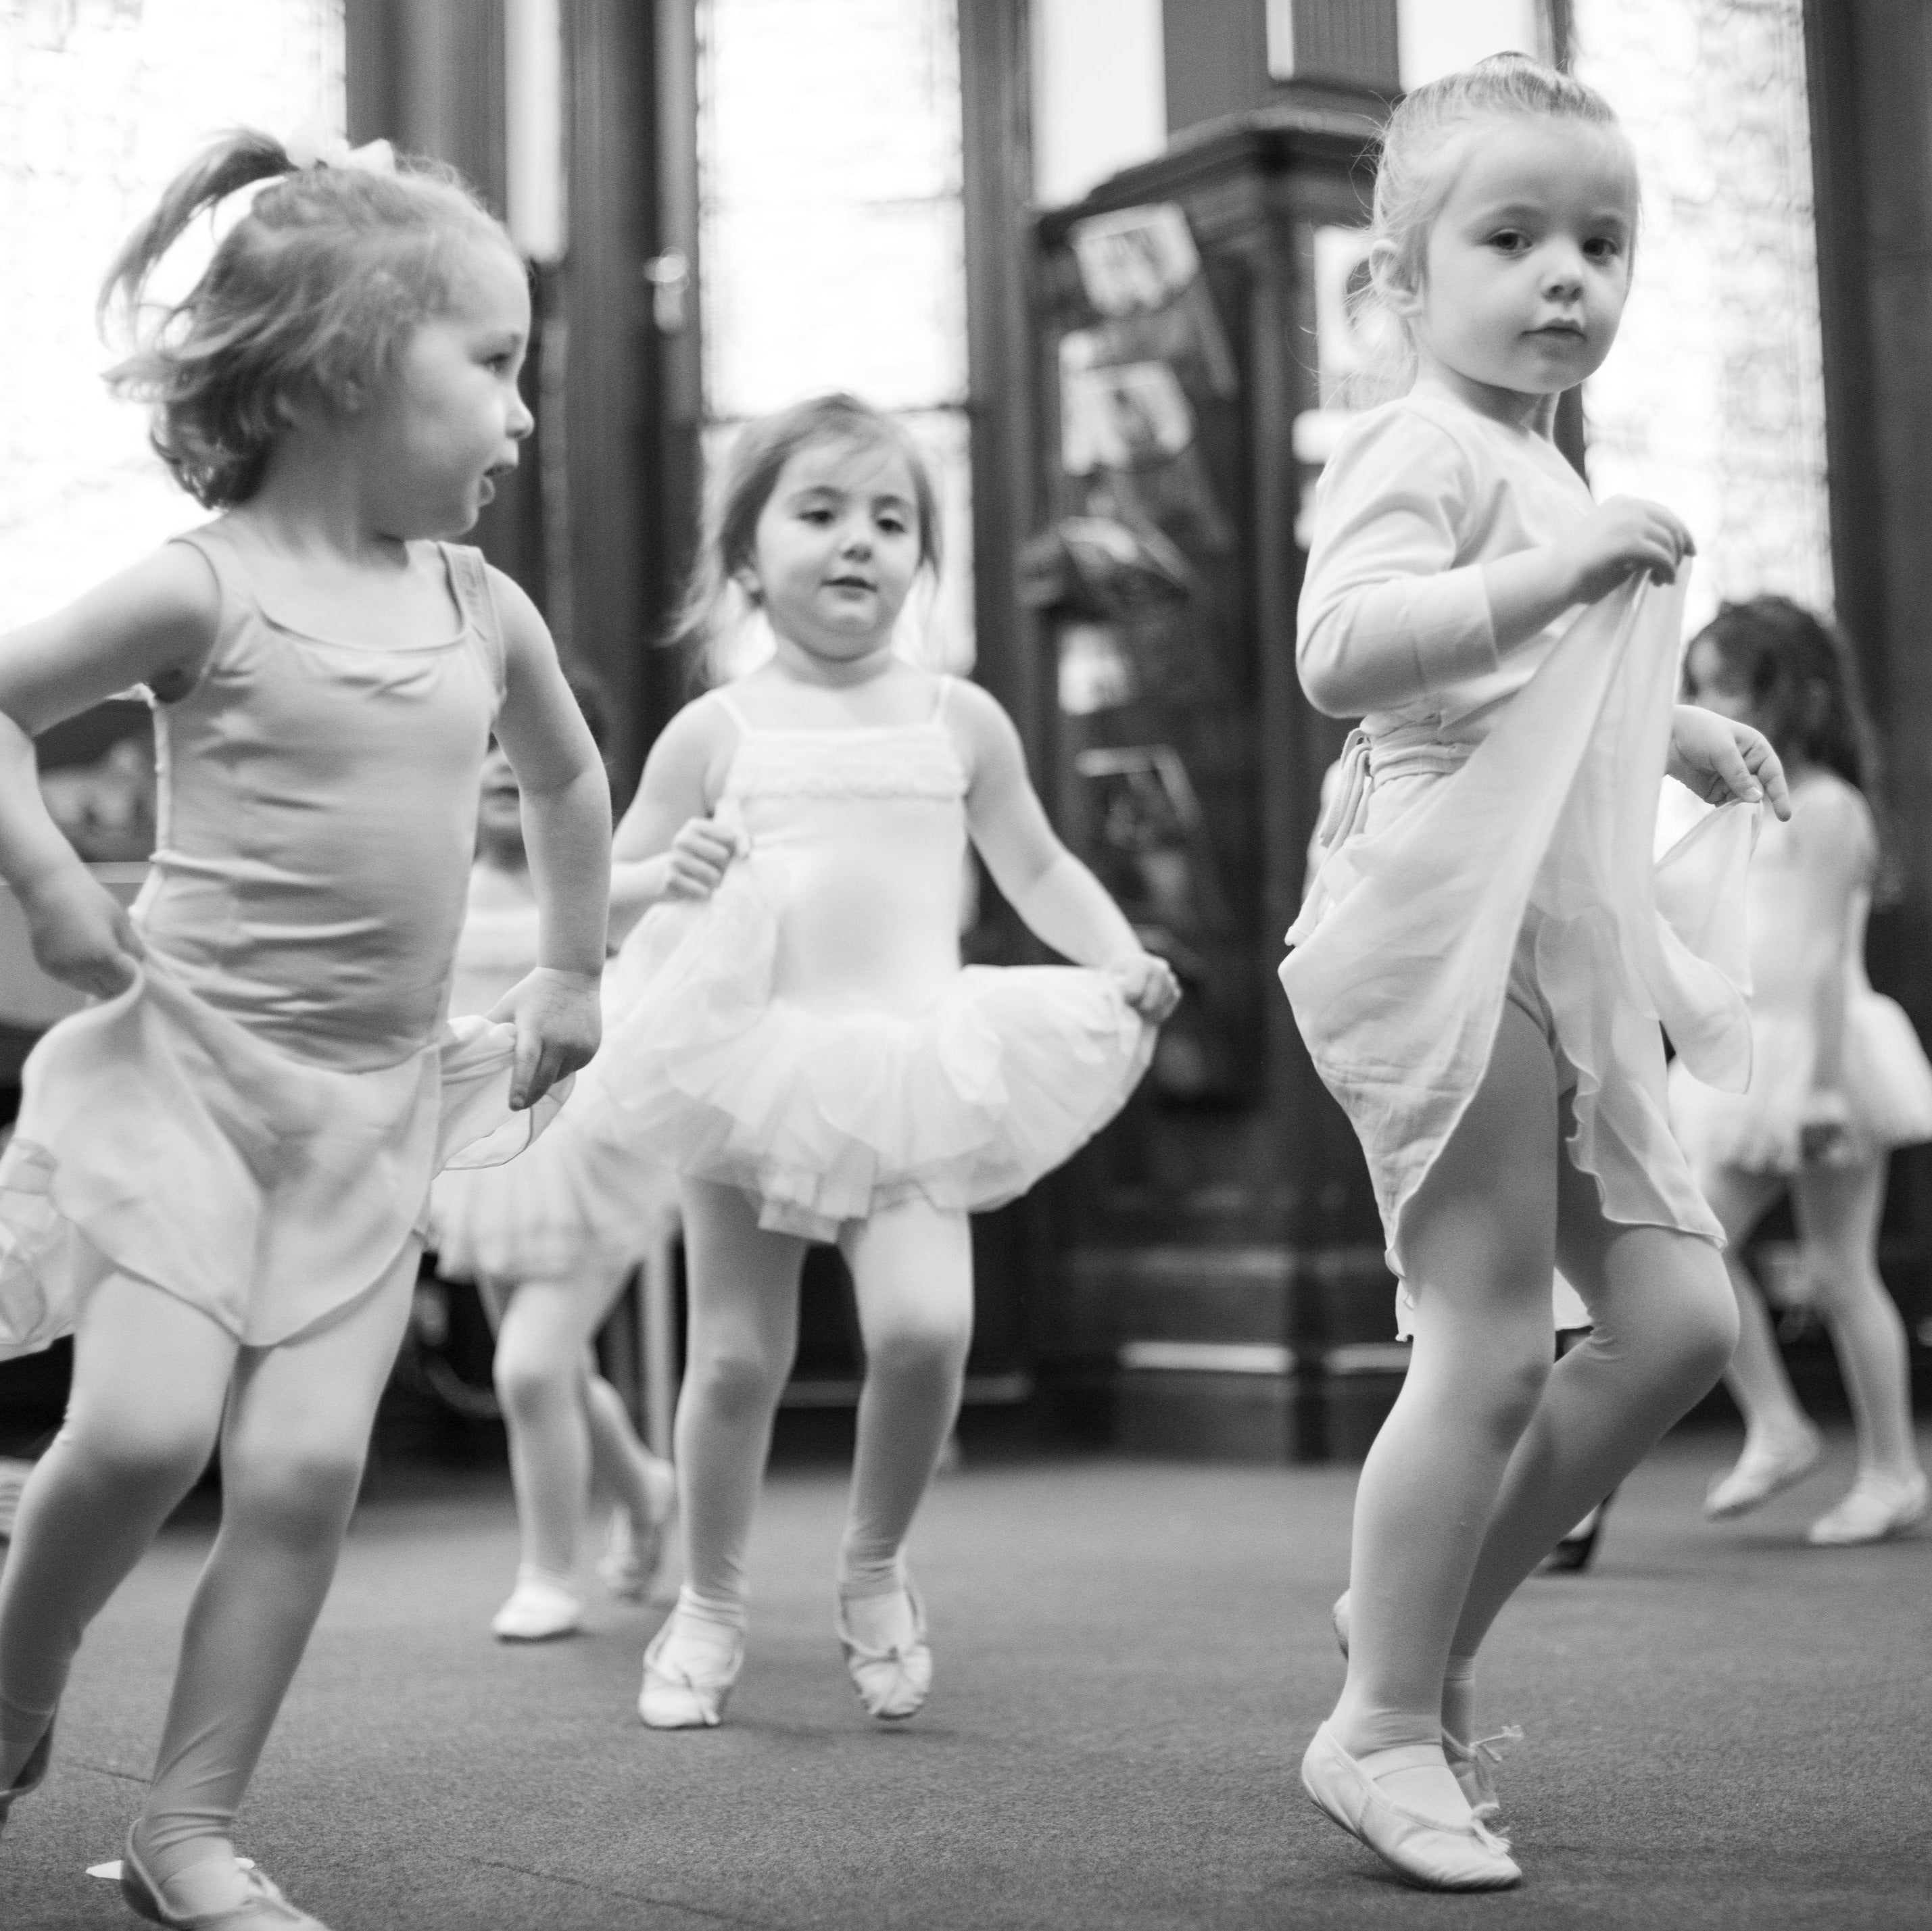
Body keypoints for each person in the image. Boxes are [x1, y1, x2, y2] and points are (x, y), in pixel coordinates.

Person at [0, 132, 609, 1931]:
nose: (518, 415)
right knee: (135, 1437)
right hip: (183, 1082)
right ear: (348, 362)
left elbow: (570, 790)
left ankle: (189, 1827)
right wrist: (45, 881)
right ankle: (19, 1688)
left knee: (299, 1470)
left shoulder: (480, 611)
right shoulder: (203, 588)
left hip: (368, 1112)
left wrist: (571, 972)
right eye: (492, 365)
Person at [1281, 57, 1788, 1890]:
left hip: (1550, 921)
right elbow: (1346, 652)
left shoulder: (1530, 457)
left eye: (1602, 241)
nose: (1566, 274)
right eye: (1513, 238)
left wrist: (1686, 732)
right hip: (1439, 918)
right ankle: (1386, 1723)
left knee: (1677, 1328)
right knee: (1488, 1344)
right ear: (1404, 281)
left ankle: (1394, 1647)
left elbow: (1532, 697)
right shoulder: (1414, 444)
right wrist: (1561, 571)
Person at [576, 392, 1178, 1730]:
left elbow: (1035, 860)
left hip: (912, 1061)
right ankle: (709, 1601)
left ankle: (873, 1561)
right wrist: (652, 876)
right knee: (735, 1356)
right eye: (821, 512)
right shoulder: (715, 730)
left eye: (890, 519)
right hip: (743, 1060)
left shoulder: (960, 718)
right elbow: (604, 887)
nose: (859, 541)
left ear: (923, 558)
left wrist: (1115, 953)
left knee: (923, 1328)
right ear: (745, 557)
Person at [1674, 597, 1932, 1544]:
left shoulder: (1827, 807)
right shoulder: (1739, 807)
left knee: (1835, 1268)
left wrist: (1822, 1085)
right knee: (1694, 1241)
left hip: (1825, 1054)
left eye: (1727, 687)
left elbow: (1823, 955)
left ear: (1795, 695)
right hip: (1755, 1051)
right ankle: (1779, 1422)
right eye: (1696, 689)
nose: (1711, 706)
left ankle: (1892, 1468)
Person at [427, 678, 679, 1642]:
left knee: (530, 1366)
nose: (500, 760)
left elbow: (660, 896)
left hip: (592, 1150)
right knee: (556, 1368)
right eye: (479, 740)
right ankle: (646, 1487)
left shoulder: (585, 878)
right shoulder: (434, 873)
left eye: (518, 744)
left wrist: (689, 863)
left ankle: (547, 1570)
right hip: (483, 1158)